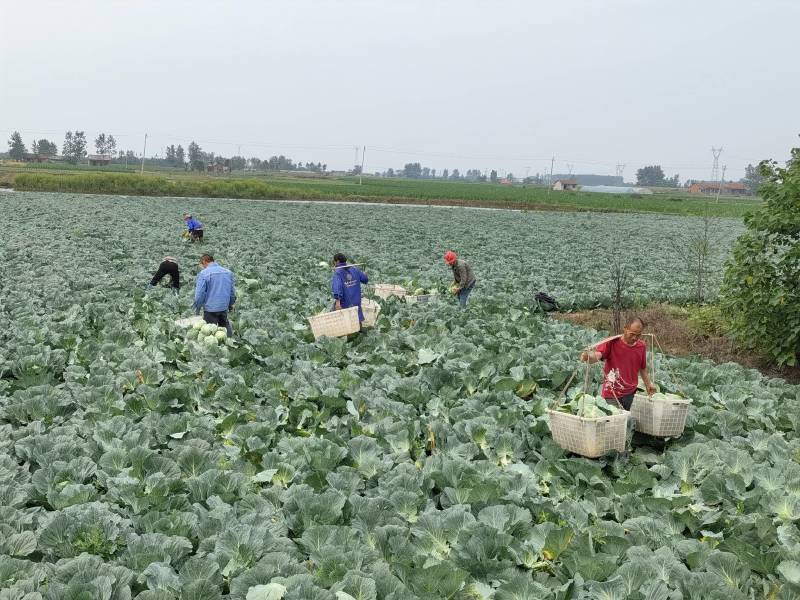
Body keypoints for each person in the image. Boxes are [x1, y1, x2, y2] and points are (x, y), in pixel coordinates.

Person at [579, 317, 657, 410]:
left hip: (630, 393)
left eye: (638, 335)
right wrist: (588, 357)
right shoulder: (612, 343)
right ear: (625, 328)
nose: (634, 338)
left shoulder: (641, 346)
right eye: (632, 334)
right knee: (614, 421)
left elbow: (642, 368)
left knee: (626, 420)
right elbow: (597, 355)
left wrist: (648, 385)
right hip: (611, 393)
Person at [192, 254, 235, 337]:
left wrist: (197, 307)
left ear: (204, 262)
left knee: (209, 334)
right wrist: (230, 304)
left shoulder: (204, 273)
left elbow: (199, 294)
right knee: (225, 332)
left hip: (210, 309)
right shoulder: (227, 272)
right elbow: (232, 292)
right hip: (223, 307)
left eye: (202, 264)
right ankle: (231, 345)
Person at [331, 253, 368, 327]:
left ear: (337, 261)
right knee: (357, 318)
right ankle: (359, 332)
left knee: (345, 321)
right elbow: (365, 280)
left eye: (334, 262)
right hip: (356, 300)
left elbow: (337, 288)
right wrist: (365, 274)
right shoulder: (354, 269)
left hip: (345, 302)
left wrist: (338, 303)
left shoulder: (337, 273)